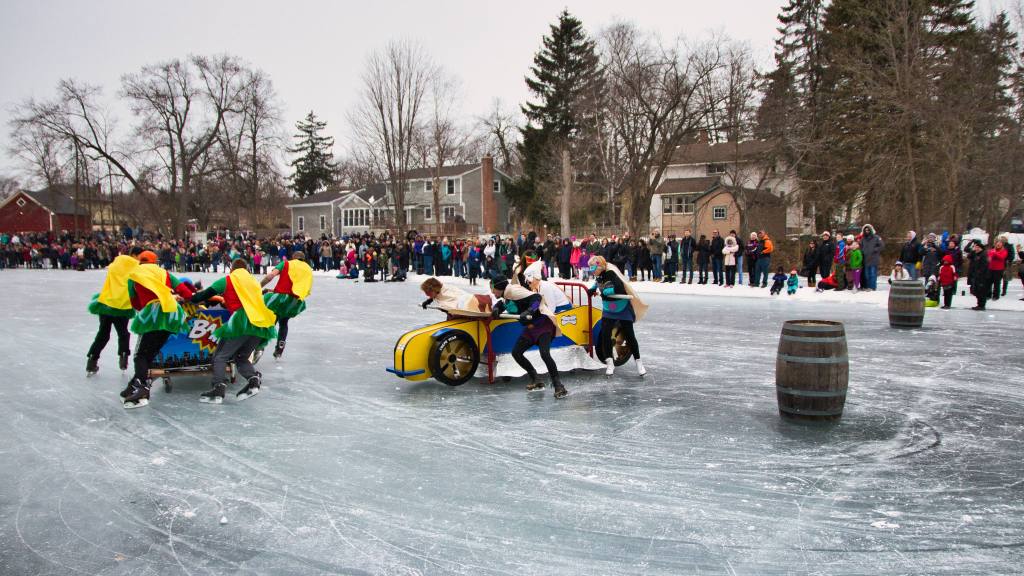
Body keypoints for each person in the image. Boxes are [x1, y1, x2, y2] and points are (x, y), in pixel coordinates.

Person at [191, 259, 278, 403]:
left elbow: (203, 295)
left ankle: (218, 389)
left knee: (220, 356)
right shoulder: (253, 281)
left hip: (242, 321)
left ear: (232, 269)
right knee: (242, 357)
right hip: (261, 322)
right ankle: (253, 380)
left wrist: (189, 298)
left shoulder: (228, 280)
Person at [121, 250, 196, 408]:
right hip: (171, 315)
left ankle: (142, 388)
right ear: (155, 262)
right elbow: (187, 293)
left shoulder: (134, 275)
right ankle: (134, 385)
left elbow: (134, 302)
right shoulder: (165, 273)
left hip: (152, 316)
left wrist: (146, 309)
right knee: (150, 353)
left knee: (140, 355)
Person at [490, 275, 568, 399]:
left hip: (543, 325)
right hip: (530, 329)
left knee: (545, 354)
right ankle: (535, 379)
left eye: (492, 288)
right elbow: (503, 304)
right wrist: (496, 308)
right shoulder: (507, 295)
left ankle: (558, 385)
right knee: (516, 352)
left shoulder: (513, 291)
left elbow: (537, 298)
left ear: (499, 287)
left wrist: (530, 311)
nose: (492, 292)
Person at [587, 255, 649, 376]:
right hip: (608, 309)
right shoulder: (599, 275)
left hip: (622, 307)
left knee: (630, 336)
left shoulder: (611, 274)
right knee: (605, 335)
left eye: (592, 267)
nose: (591, 270)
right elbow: (598, 282)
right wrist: (593, 289)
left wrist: (606, 291)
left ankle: (638, 362)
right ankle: (610, 362)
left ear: (600, 266)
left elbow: (616, 287)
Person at [86, 246, 141, 375]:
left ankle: (92, 359)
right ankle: (123, 356)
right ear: (134, 255)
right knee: (123, 333)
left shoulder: (115, 264)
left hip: (106, 302)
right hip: (122, 305)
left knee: (103, 334)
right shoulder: (136, 267)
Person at [260, 250, 313, 359]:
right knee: (284, 323)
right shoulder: (308, 269)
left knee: (271, 321)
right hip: (294, 301)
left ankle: (259, 346)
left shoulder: (286, 263)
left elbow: (270, 276)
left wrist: (259, 286)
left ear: (293, 257)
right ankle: (280, 348)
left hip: (279, 298)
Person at [419, 277, 491, 316]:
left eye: (428, 293)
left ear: (434, 289)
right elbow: (436, 296)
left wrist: (446, 309)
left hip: (471, 301)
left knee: (486, 304)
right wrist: (429, 300)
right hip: (469, 301)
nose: (427, 295)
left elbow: (455, 304)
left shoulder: (447, 291)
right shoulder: (438, 292)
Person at [860, 224, 884, 291]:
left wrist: (874, 250)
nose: (867, 231)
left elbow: (882, 245)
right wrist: (862, 251)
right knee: (866, 275)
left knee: (873, 274)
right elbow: (860, 246)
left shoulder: (876, 237)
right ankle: (867, 286)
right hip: (865, 259)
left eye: (868, 230)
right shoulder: (863, 239)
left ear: (871, 230)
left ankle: (872, 287)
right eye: (865, 230)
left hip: (873, 259)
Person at [967, 241, 990, 311]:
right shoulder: (975, 254)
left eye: (978, 247)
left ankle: (982, 305)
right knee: (976, 291)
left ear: (981, 248)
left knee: (981, 291)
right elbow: (969, 256)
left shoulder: (983, 255)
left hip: (982, 276)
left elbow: (984, 266)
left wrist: (979, 273)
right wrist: (973, 251)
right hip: (975, 275)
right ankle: (979, 304)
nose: (976, 248)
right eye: (975, 247)